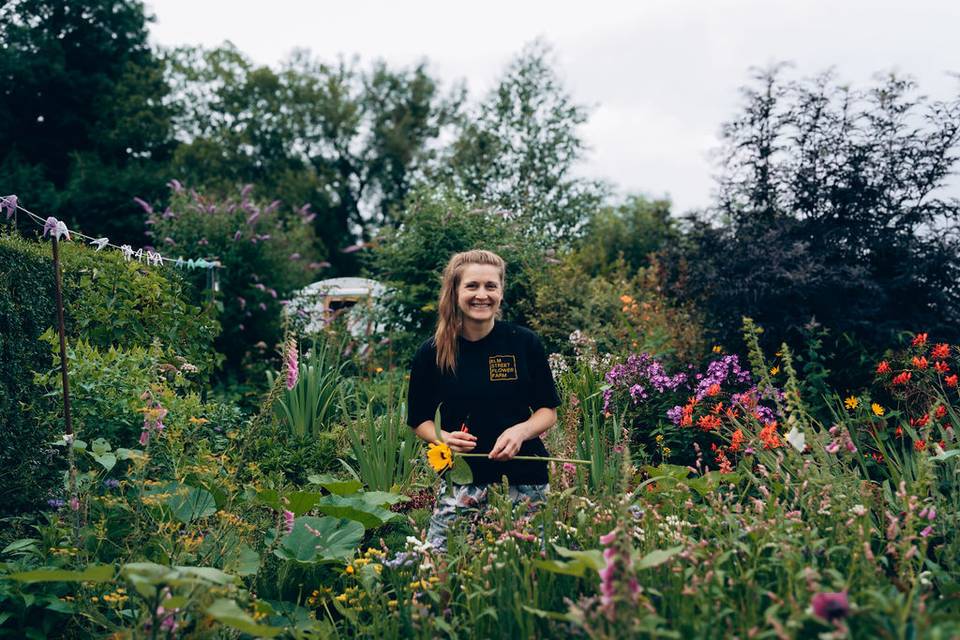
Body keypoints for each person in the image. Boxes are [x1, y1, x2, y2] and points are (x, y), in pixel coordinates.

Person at [406, 249, 560, 551]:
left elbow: (547, 411)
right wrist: (442, 437)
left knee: (528, 568)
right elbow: (418, 420)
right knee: (440, 562)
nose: (482, 295)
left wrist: (521, 431)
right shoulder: (432, 352)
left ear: (501, 292)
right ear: (456, 291)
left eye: (491, 286)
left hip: (525, 478)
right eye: (472, 286)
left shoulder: (523, 342)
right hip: (464, 477)